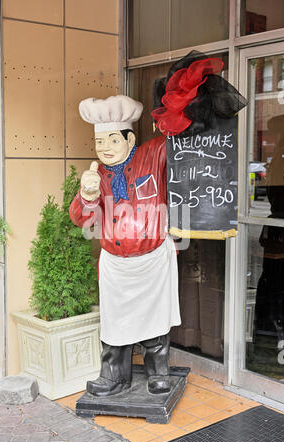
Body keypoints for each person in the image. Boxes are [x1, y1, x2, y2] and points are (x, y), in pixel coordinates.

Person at [69, 95, 181, 396]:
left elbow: (180, 142)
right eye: (100, 142)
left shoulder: (154, 154)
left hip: (152, 260)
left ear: (130, 139)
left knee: (155, 319)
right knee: (114, 323)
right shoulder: (96, 176)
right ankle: (113, 376)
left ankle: (159, 373)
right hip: (116, 264)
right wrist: (87, 194)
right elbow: (82, 219)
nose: (104, 149)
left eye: (112, 141)